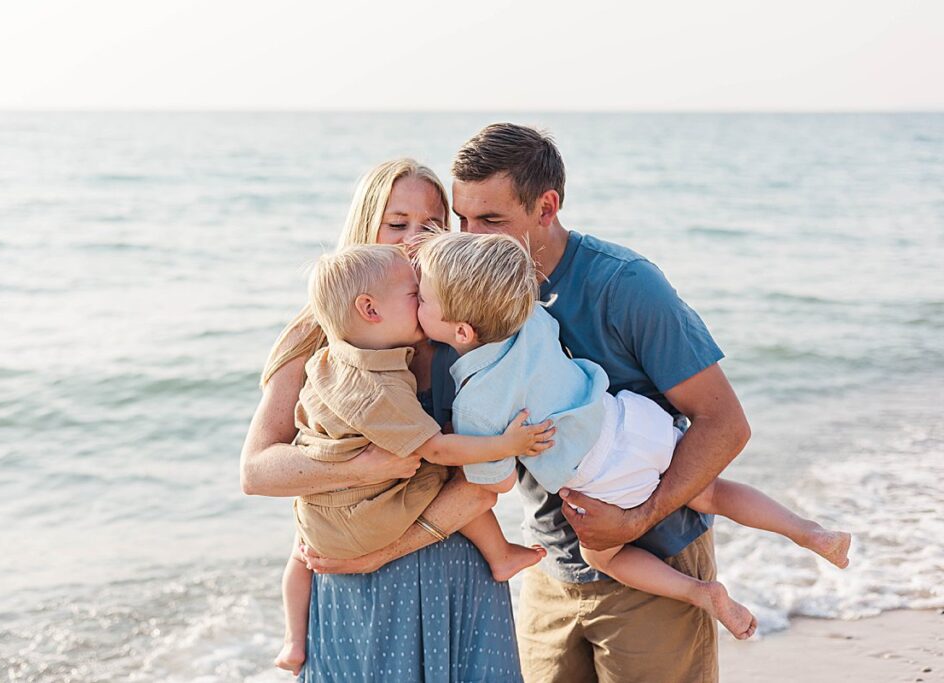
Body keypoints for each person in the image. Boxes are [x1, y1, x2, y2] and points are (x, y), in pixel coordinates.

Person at [299, 123, 749, 682]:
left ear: (546, 207)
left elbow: (725, 424)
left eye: (490, 221)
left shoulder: (625, 285)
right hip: (550, 567)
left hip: (654, 560)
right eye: (461, 220)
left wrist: (636, 518)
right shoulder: (447, 306)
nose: (470, 237)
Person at [412, 230, 851, 640]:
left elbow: (500, 481)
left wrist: (463, 450)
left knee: (604, 558)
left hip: (602, 475)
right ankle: (810, 533)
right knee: (711, 492)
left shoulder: (474, 404)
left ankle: (702, 593)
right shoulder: (529, 318)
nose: (416, 303)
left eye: (423, 300)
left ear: (463, 333)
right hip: (633, 421)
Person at [240, 158, 525, 682]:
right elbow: (257, 472)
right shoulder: (315, 336)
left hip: (457, 575)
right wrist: (363, 467)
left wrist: (386, 551)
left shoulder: (461, 333)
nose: (414, 240)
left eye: (433, 225)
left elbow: (486, 483)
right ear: (365, 225)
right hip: (351, 584)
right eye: (398, 223)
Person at [278, 244, 550, 673]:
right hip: (356, 524)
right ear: (370, 308)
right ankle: (499, 556)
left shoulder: (330, 357)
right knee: (445, 472)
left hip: (318, 523)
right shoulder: (377, 385)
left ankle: (294, 641)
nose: (423, 297)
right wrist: (508, 445)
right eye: (415, 294)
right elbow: (441, 452)